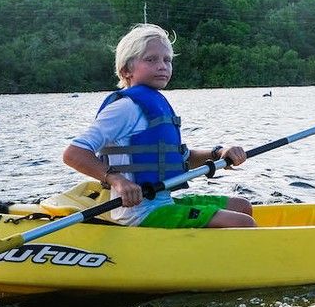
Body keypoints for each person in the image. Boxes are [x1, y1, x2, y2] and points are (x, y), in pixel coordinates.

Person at [63, 23, 255, 228]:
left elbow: (181, 160)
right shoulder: (125, 108)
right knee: (241, 222)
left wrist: (218, 153)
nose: (162, 65)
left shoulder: (157, 105)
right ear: (126, 70)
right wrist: (116, 179)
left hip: (162, 203)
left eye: (167, 60)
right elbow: (73, 153)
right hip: (139, 214)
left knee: (242, 206)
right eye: (151, 59)